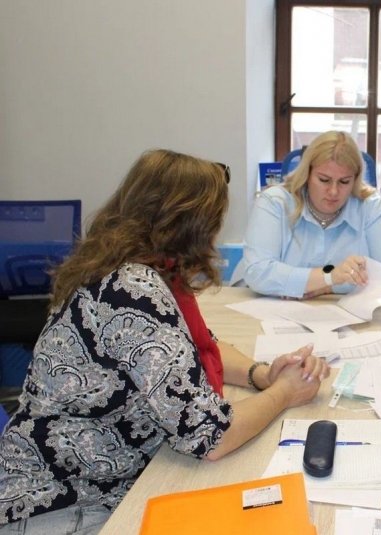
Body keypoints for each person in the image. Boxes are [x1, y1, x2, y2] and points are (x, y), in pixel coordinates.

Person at [0, 150, 331, 534]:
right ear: (190, 224)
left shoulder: (122, 267)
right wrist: (285, 393)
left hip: (87, 480)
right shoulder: (133, 290)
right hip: (62, 502)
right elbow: (210, 436)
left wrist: (262, 375)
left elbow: (191, 347)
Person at [239, 131, 381, 299]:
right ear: (307, 174)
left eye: (344, 182)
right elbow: (257, 272)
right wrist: (330, 276)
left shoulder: (371, 207)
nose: (333, 191)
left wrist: (328, 286)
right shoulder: (275, 202)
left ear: (355, 179)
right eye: (324, 180)